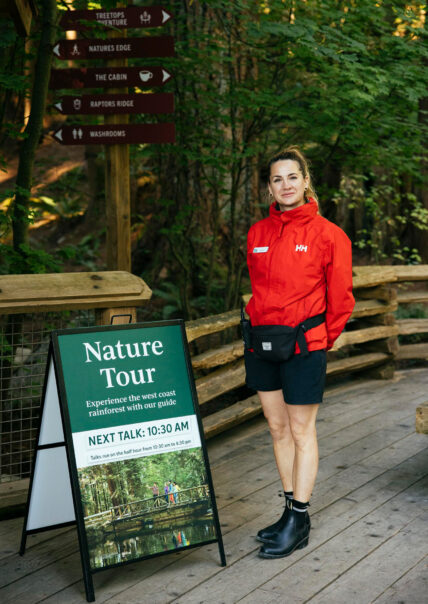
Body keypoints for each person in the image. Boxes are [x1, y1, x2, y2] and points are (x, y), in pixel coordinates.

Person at [244, 146, 354, 559]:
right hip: (261, 344)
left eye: (292, 177)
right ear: (269, 187)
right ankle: (289, 509)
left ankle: (301, 517)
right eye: (277, 179)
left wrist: (321, 340)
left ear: (306, 181)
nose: (285, 185)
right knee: (276, 429)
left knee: (301, 430)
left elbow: (342, 300)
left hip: (304, 345)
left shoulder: (329, 235)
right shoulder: (257, 233)